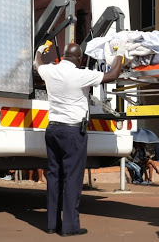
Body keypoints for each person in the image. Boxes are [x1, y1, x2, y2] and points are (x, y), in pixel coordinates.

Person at [34, 41, 125, 237]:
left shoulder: (50, 71)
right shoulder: (81, 74)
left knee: (54, 176)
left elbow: (37, 63)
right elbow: (113, 74)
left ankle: (51, 224)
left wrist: (41, 50)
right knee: (72, 179)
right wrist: (120, 53)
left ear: (64, 55)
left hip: (52, 130)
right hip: (73, 133)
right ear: (79, 59)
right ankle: (69, 227)